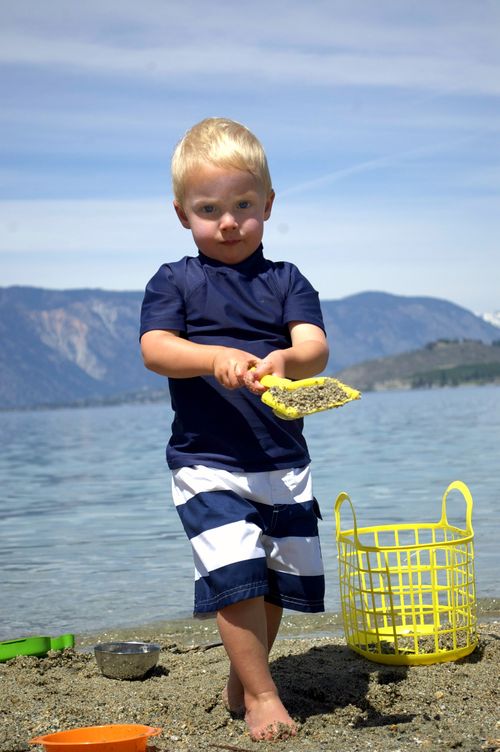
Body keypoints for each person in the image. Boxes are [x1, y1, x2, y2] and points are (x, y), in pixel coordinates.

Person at [140, 117, 329, 742]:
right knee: (235, 571)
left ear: (268, 205)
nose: (228, 221)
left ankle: (246, 676)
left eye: (243, 205)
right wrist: (211, 357)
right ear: (181, 215)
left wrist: (286, 361)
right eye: (209, 208)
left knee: (277, 579)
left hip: (281, 458)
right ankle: (263, 693)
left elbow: (314, 345)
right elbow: (157, 348)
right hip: (206, 460)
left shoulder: (287, 281)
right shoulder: (175, 281)